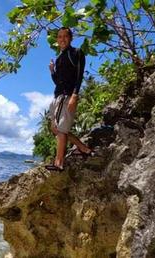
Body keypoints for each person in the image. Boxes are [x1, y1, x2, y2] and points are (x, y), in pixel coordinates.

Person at [45, 27, 93, 171]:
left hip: (68, 96)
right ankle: (83, 148)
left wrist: (75, 95)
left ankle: (58, 163)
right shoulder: (59, 58)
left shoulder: (76, 53)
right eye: (59, 37)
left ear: (71, 38)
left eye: (65, 36)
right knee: (55, 128)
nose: (62, 39)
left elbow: (79, 75)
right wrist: (52, 70)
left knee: (61, 130)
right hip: (57, 96)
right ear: (57, 40)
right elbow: (57, 81)